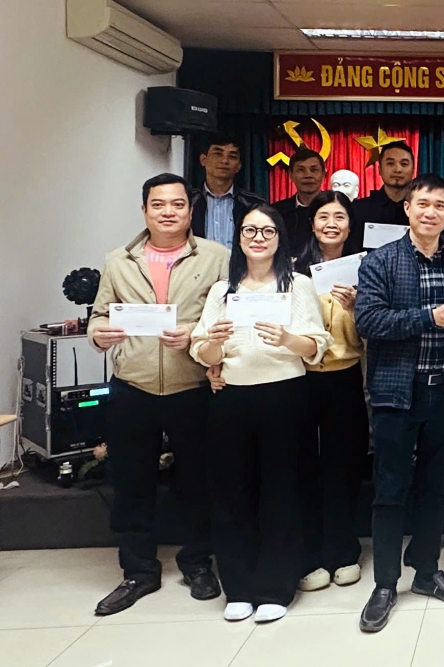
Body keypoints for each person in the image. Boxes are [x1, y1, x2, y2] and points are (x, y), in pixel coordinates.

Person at [88, 174, 228, 616]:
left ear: (190, 209)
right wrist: (98, 334)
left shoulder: (216, 257)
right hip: (134, 386)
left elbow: (228, 315)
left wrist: (195, 332)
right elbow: (99, 315)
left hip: (194, 386)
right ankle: (138, 571)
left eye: (177, 204)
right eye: (158, 204)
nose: (168, 212)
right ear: (145, 210)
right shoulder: (118, 260)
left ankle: (198, 563)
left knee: (198, 481)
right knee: (131, 483)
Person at [190, 205, 331, 624]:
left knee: (282, 494)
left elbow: (317, 346)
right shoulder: (222, 291)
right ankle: (239, 587)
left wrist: (288, 338)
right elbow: (202, 352)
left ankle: (275, 587)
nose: (258, 238)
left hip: (285, 396)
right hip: (231, 397)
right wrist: (214, 345)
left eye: (267, 231)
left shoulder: (298, 285)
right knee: (232, 493)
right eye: (250, 230)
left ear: (280, 238)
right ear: (239, 238)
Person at [354, 174, 444, 633]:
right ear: (407, 208)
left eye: (439, 206)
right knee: (390, 491)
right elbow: (369, 321)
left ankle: (426, 572)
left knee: (434, 488)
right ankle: (385, 583)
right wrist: (430, 316)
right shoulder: (381, 260)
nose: (431, 212)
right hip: (396, 394)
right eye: (422, 204)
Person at [291, 191, 370, 593]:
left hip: (345, 376)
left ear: (350, 225)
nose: (331, 224)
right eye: (324, 216)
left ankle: (343, 550)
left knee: (344, 464)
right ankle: (308, 553)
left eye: (340, 217)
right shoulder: (292, 271)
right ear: (312, 223)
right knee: (302, 464)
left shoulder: (365, 270)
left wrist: (358, 307)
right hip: (299, 377)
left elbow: (375, 332)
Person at [190, 135, 266, 250]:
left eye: (232, 156)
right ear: (203, 160)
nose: (224, 161)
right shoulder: (188, 200)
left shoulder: (254, 204)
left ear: (239, 166)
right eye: (218, 154)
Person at [272, 148, 327, 252]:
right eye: (301, 170)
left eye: (314, 170)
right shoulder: (276, 212)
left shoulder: (335, 209)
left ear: (323, 174)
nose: (308, 175)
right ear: (291, 175)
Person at [353, 140, 415, 229]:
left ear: (413, 170)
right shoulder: (358, 209)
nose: (397, 169)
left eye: (404, 164)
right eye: (390, 163)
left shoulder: (420, 211)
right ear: (380, 169)